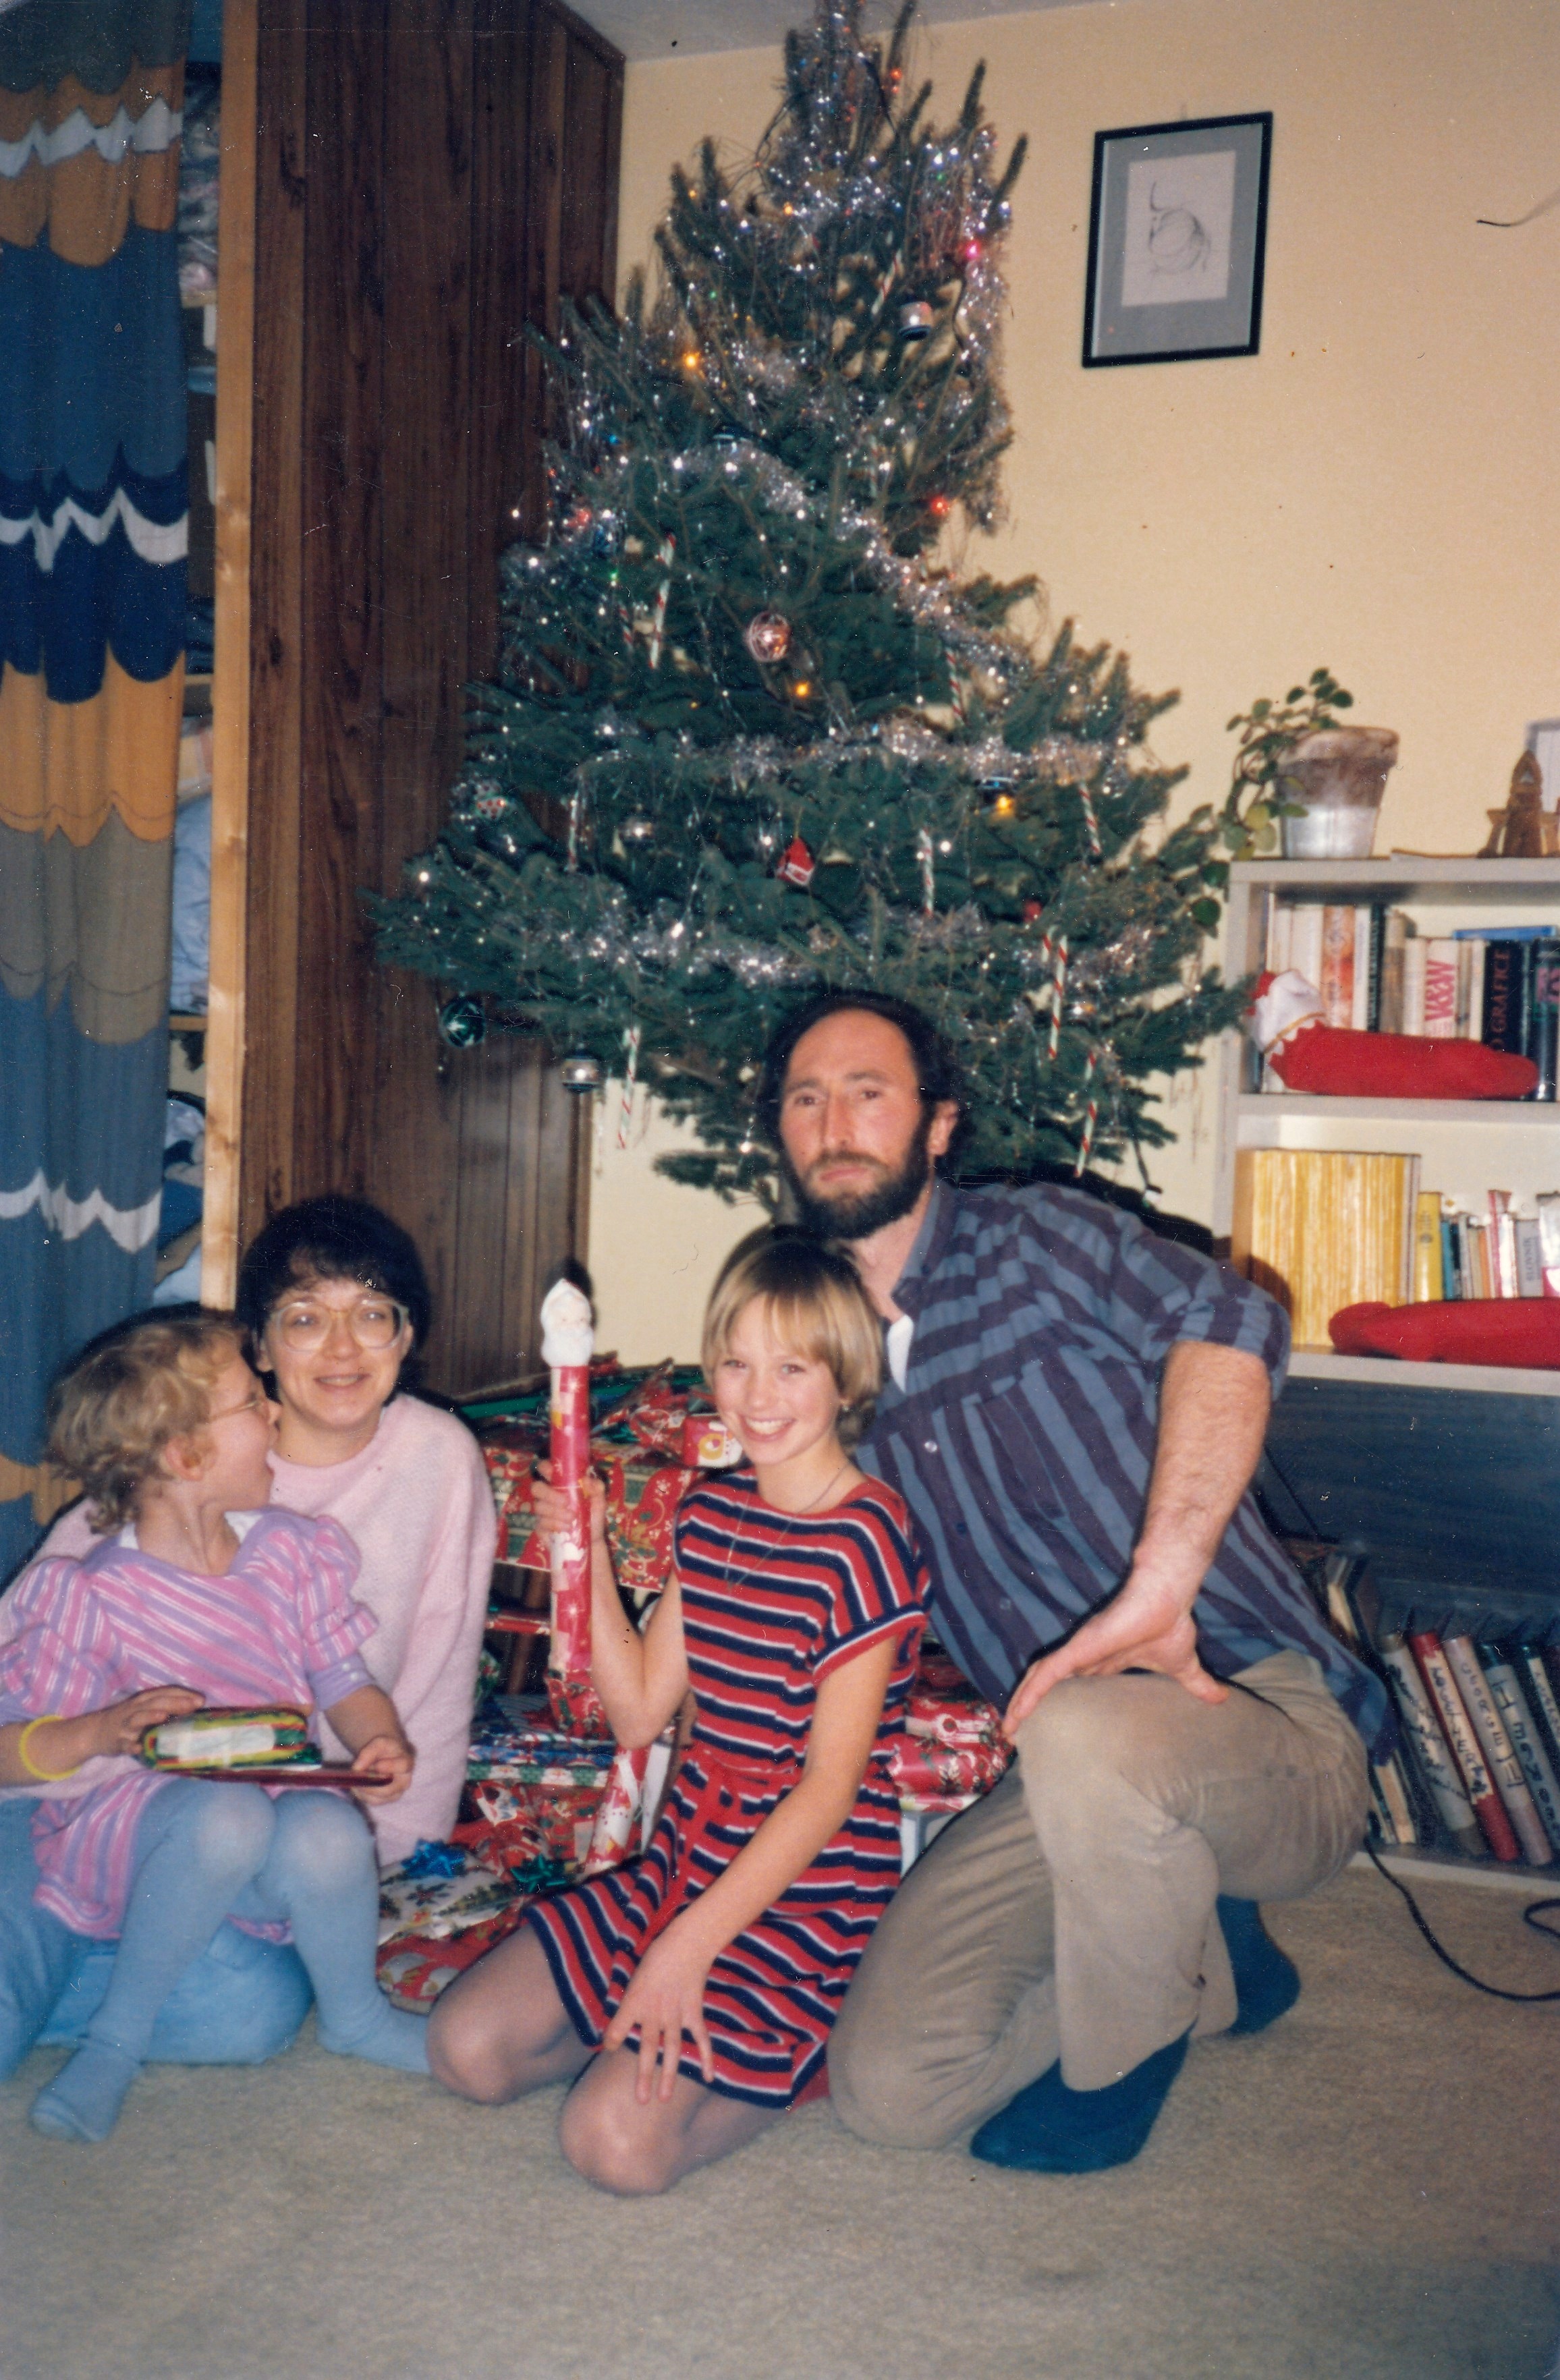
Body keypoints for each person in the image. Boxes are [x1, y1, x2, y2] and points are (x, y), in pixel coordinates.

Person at [755, 990, 1385, 2174]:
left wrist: (1163, 1582)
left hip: (1263, 1724)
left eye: (869, 1093)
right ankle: (1216, 1959)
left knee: (1090, 1730)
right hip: (1066, 1769)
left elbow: (1233, 1323)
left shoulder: (1037, 1241)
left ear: (939, 1125)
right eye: (806, 1099)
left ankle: (1125, 2062)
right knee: (891, 2089)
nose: (835, 1123)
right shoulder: (816, 1352)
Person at [428, 1232, 930, 2194]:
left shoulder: (866, 1539)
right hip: (688, 1858)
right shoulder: (710, 1513)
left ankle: (795, 2055)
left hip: (803, 1887)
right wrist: (590, 1550)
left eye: (793, 1368)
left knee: (614, 2148)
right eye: (736, 1363)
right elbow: (638, 1715)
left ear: (847, 1378)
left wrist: (686, 1948)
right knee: (467, 2051)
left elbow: (830, 1791)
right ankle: (644, 2042)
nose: (758, 1395)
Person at [0, 1195, 496, 2076]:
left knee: (255, 2013)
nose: (342, 1349)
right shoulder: (177, 1473)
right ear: (259, 1349)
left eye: (371, 1315)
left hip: (253, 1836)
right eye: (305, 1320)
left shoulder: (439, 1457)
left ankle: (99, 1982)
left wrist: (381, 1856)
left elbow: (439, 1672)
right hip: (69, 1807)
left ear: (407, 1336)